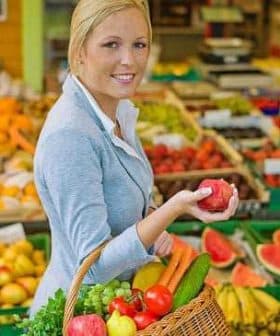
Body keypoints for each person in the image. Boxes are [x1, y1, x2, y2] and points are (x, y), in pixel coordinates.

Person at [31, 0, 239, 315]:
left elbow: (125, 207)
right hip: (81, 318)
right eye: (111, 44)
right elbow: (93, 267)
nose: (129, 60)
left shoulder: (116, 112)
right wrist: (173, 209)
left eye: (139, 45)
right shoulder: (71, 137)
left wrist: (154, 222)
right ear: (79, 52)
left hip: (121, 310)